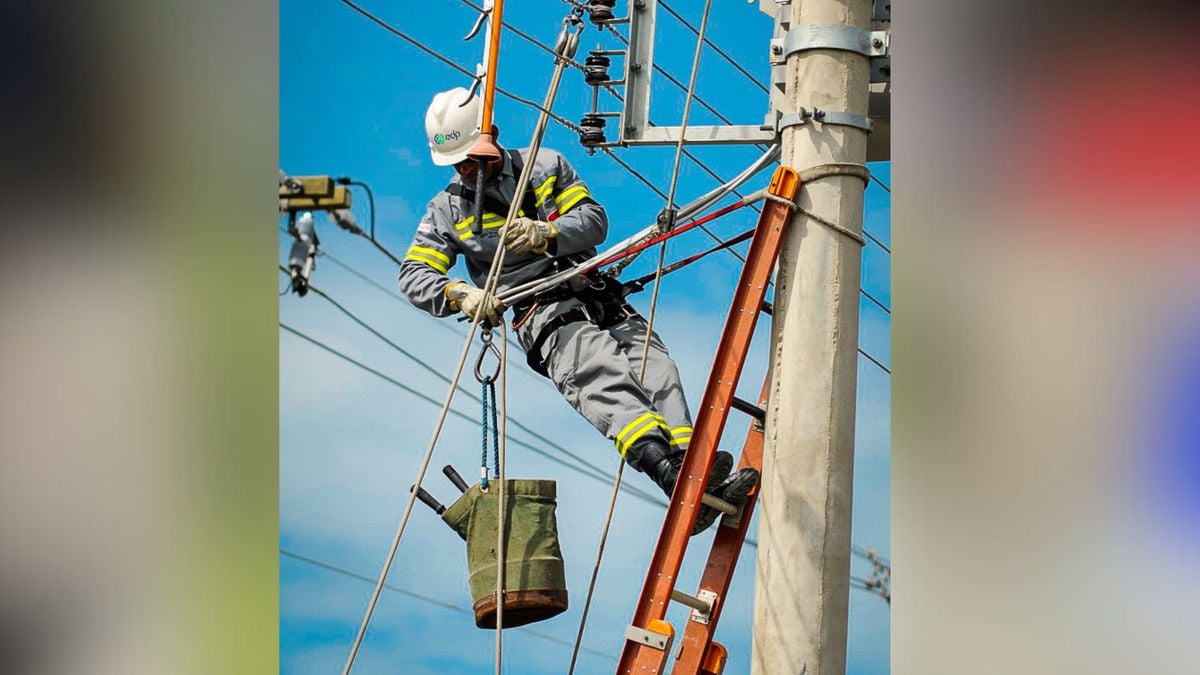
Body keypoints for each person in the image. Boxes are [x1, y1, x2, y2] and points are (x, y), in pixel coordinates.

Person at [398, 87, 758, 534]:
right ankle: (668, 473)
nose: (465, 171)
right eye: (457, 163)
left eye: (471, 158)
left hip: (596, 291)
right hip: (544, 310)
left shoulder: (545, 166)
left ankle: (691, 470)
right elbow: (414, 274)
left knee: (658, 370)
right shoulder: (447, 211)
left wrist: (545, 235)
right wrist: (460, 294)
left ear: (490, 136)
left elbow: (594, 223)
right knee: (600, 372)